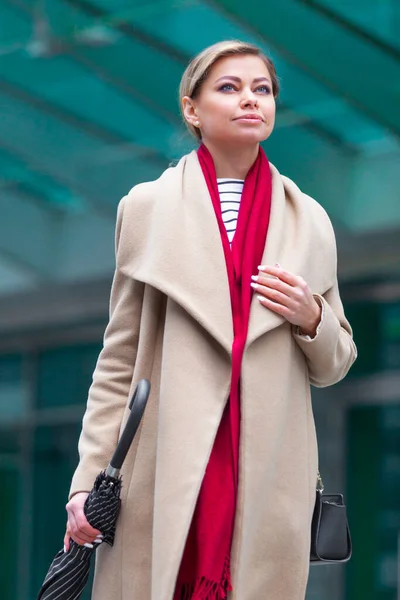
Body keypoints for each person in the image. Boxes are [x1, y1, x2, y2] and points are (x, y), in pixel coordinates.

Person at [64, 40, 357, 600]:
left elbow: (336, 363)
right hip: (163, 462)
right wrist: (87, 480)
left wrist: (311, 315)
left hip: (266, 463)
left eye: (262, 89)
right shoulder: (147, 208)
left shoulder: (311, 221)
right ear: (192, 110)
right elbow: (119, 358)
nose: (251, 100)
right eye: (230, 88)